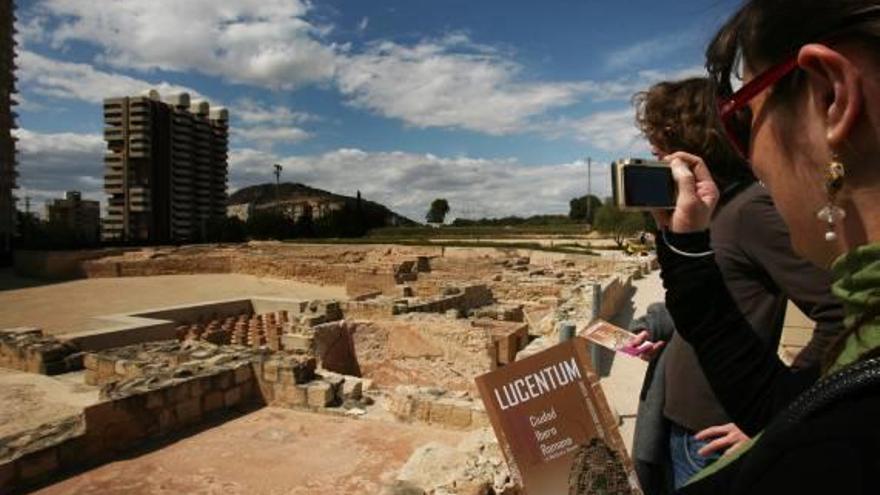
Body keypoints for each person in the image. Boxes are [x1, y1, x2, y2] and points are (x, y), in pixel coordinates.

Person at [652, 1, 880, 492]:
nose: (749, 155)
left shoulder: (828, 454)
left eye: (742, 118)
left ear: (829, 97)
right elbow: (786, 403)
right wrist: (686, 245)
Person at [628, 78, 844, 493]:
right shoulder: (706, 210)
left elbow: (841, 310)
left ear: (696, 137)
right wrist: (658, 329)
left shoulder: (750, 210)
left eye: (662, 136)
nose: (654, 148)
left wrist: (778, 415)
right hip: (677, 421)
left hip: (713, 433)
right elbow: (712, 302)